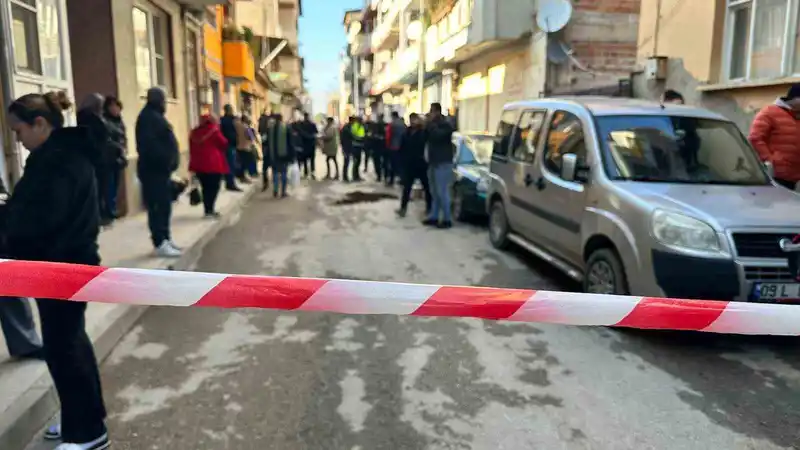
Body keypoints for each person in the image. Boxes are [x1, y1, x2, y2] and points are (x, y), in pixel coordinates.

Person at [5, 91, 109, 449]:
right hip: (62, 265)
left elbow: (38, 221)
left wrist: (8, 226)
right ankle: (80, 417)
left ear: (39, 124)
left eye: (19, 131)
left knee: (65, 349)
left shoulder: (58, 162)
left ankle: (88, 433)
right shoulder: (61, 155)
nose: (17, 140)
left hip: (62, 268)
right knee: (69, 343)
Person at [136, 87, 182, 257]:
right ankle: (160, 242)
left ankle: (166, 238)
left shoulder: (155, 116)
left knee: (165, 207)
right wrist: (166, 161)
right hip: (153, 172)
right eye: (163, 99)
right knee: (157, 207)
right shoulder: (148, 118)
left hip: (161, 172)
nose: (165, 103)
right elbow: (151, 147)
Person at [749, 84, 800, 190]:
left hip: (792, 177)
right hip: (773, 175)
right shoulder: (769, 112)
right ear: (795, 98)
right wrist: (770, 161)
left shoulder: (797, 116)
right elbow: (755, 138)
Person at [77, 93, 114, 227]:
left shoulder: (95, 117)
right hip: (95, 160)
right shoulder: (89, 119)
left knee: (101, 189)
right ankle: (97, 216)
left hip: (100, 159)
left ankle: (101, 214)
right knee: (97, 190)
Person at [189, 112, 229, 218]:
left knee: (205, 187)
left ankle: (207, 209)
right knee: (214, 187)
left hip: (199, 164)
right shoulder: (214, 131)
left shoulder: (194, 132)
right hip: (213, 164)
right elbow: (224, 143)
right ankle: (210, 209)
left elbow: (191, 147)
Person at [423, 103, 456, 228]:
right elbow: (426, 138)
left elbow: (438, 136)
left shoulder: (446, 125)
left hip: (443, 162)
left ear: (437, 112)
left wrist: (430, 125)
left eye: (431, 111)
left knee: (442, 191)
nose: (430, 114)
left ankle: (447, 219)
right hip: (433, 162)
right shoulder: (432, 125)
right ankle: (434, 216)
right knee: (434, 192)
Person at [397, 113, 432, 217]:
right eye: (412, 119)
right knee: (407, 187)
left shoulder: (423, 132)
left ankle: (429, 208)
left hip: (421, 163)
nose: (413, 122)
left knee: (427, 187)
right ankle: (403, 208)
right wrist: (401, 163)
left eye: (415, 119)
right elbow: (401, 148)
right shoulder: (406, 133)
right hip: (409, 164)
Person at [102, 96, 127, 221]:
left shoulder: (119, 121)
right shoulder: (105, 121)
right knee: (109, 185)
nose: (115, 109)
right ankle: (109, 210)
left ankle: (113, 208)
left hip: (119, 157)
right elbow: (107, 140)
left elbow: (123, 137)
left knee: (115, 184)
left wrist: (123, 151)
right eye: (112, 106)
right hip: (109, 158)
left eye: (116, 106)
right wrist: (117, 147)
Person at [266, 114, 296, 197]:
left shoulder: (270, 129)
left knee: (275, 173)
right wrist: (293, 155)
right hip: (283, 155)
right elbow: (291, 143)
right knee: (283, 173)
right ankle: (283, 192)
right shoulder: (286, 128)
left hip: (273, 155)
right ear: (281, 119)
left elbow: (267, 142)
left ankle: (275, 190)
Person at [219, 104, 242, 192]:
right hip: (230, 145)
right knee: (230, 165)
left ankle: (229, 182)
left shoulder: (223, 120)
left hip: (226, 145)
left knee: (229, 165)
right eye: (231, 109)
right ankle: (230, 184)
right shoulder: (230, 120)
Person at [385, 111, 406, 186]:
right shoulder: (403, 124)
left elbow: (388, 136)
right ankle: (402, 179)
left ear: (393, 116)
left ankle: (391, 180)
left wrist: (387, 146)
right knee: (401, 164)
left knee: (392, 164)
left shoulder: (392, 124)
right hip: (402, 147)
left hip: (393, 147)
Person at [234, 114, 255, 184]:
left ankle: (241, 176)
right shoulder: (246, 127)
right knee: (246, 163)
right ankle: (244, 176)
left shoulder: (237, 126)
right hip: (246, 147)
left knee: (240, 163)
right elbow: (251, 137)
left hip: (238, 147)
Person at [298, 113, 318, 179]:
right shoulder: (312, 124)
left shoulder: (301, 125)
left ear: (304, 117)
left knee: (304, 159)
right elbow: (316, 132)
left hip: (304, 145)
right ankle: (312, 172)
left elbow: (300, 133)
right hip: (311, 144)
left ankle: (306, 172)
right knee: (312, 159)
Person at [369, 114, 387, 182]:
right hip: (383, 147)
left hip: (377, 148)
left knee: (378, 163)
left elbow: (372, 137)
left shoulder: (375, 126)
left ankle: (379, 176)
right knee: (383, 163)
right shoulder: (386, 125)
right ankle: (384, 176)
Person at [350, 116, 366, 182]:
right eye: (361, 120)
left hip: (359, 146)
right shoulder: (354, 126)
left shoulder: (361, 126)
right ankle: (354, 176)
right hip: (355, 146)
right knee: (356, 162)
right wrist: (359, 138)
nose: (362, 121)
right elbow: (353, 135)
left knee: (358, 161)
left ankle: (357, 176)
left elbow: (362, 135)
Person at [340, 116, 354, 182]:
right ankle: (345, 176)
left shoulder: (347, 127)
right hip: (347, 147)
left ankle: (345, 176)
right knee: (346, 162)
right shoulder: (347, 128)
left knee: (347, 162)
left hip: (347, 147)